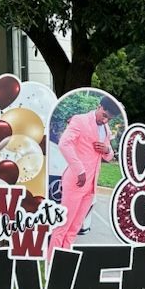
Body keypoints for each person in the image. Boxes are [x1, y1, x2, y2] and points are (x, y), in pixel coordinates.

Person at [45, 96, 119, 257]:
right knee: (63, 225)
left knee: (75, 227)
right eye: (104, 115)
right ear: (99, 106)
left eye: (109, 119)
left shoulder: (106, 129)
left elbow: (108, 156)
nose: (105, 120)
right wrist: (79, 170)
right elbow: (64, 143)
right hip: (76, 181)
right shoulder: (80, 120)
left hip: (91, 186)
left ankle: (65, 259)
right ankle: (52, 261)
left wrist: (107, 150)